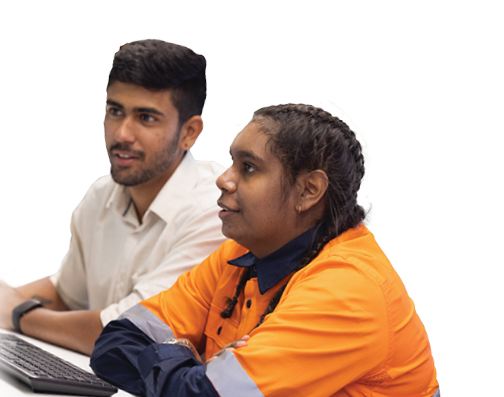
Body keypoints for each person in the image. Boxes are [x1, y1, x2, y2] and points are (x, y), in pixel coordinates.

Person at [89, 103, 441, 397]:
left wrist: (183, 364)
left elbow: (199, 394)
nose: (223, 179)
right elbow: (113, 345)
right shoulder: (238, 255)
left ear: (309, 191)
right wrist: (188, 367)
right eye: (231, 163)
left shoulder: (348, 289)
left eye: (248, 168)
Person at [0, 39, 227, 356]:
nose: (122, 133)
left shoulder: (217, 212)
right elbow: (65, 293)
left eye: (146, 117)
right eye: (115, 111)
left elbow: (130, 332)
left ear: (189, 133)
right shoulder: (102, 195)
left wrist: (18, 314)